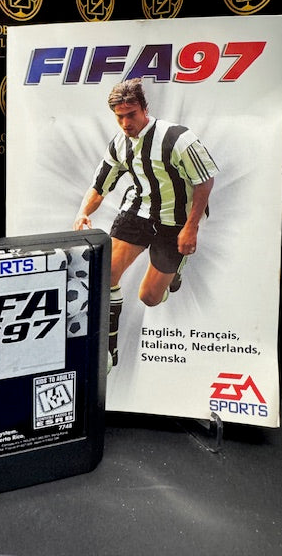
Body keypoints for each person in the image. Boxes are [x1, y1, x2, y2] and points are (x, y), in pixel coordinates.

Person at [73, 78, 218, 368]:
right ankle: (108, 352)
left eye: (131, 115)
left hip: (175, 221)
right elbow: (100, 184)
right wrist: (82, 212)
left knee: (149, 297)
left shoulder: (177, 138)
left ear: (144, 109)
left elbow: (204, 181)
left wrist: (191, 227)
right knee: (104, 275)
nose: (126, 123)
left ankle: (175, 270)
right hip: (137, 213)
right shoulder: (119, 143)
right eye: (119, 117)